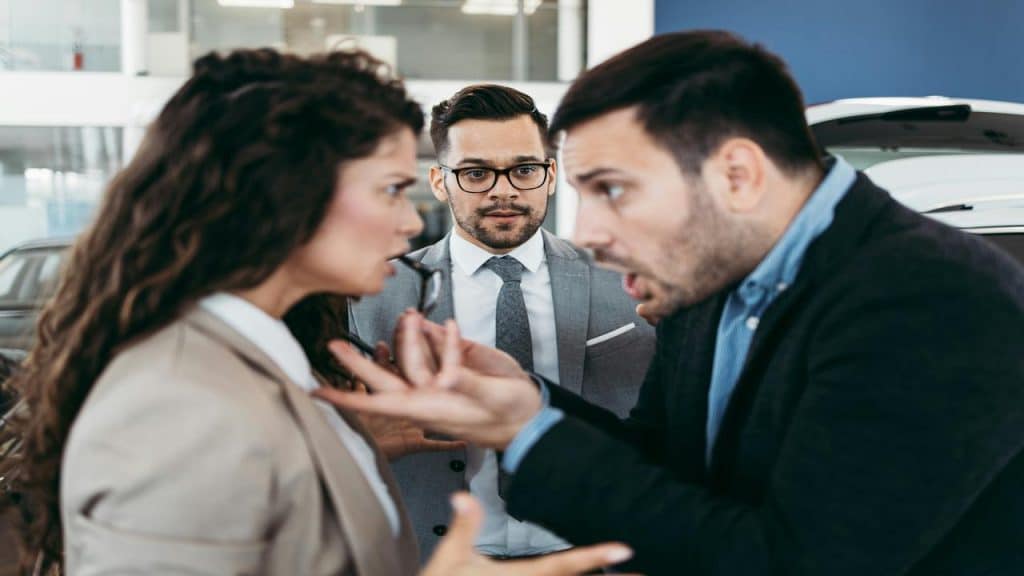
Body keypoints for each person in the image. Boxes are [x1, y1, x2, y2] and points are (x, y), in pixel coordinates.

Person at [317, 30, 1024, 575]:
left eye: (613, 189)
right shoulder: (705, 282)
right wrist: (525, 408)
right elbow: (664, 469)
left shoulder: (936, 300)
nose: (587, 231)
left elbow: (791, 564)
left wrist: (532, 436)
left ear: (737, 176)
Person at [2, 48, 631, 575]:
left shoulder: (269, 365)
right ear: (286, 198)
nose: (411, 222)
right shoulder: (174, 404)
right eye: (390, 190)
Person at [349, 83, 655, 560]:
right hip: (438, 561)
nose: (504, 190)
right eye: (475, 173)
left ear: (550, 175)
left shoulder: (629, 282)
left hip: (593, 555)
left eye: (524, 169)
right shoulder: (371, 294)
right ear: (438, 182)